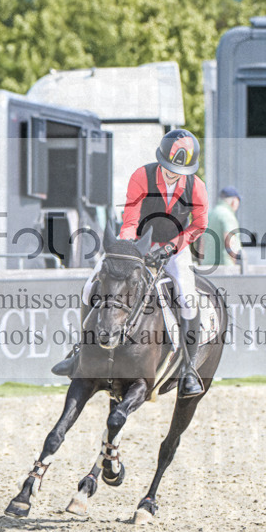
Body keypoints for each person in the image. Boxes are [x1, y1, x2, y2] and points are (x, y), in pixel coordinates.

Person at [52, 129, 209, 398]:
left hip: (175, 249)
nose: (173, 174)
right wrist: (128, 250)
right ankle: (79, 353)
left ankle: (189, 370)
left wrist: (172, 247)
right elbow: (131, 219)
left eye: (179, 171)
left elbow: (199, 225)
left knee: (187, 297)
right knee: (91, 286)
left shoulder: (197, 187)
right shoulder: (142, 176)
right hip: (135, 244)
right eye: (170, 168)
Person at [201, 186, 242, 267]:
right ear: (234, 201)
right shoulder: (227, 215)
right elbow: (229, 240)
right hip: (224, 267)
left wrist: (202, 263)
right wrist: (235, 263)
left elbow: (202, 242)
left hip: (207, 266)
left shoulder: (210, 214)